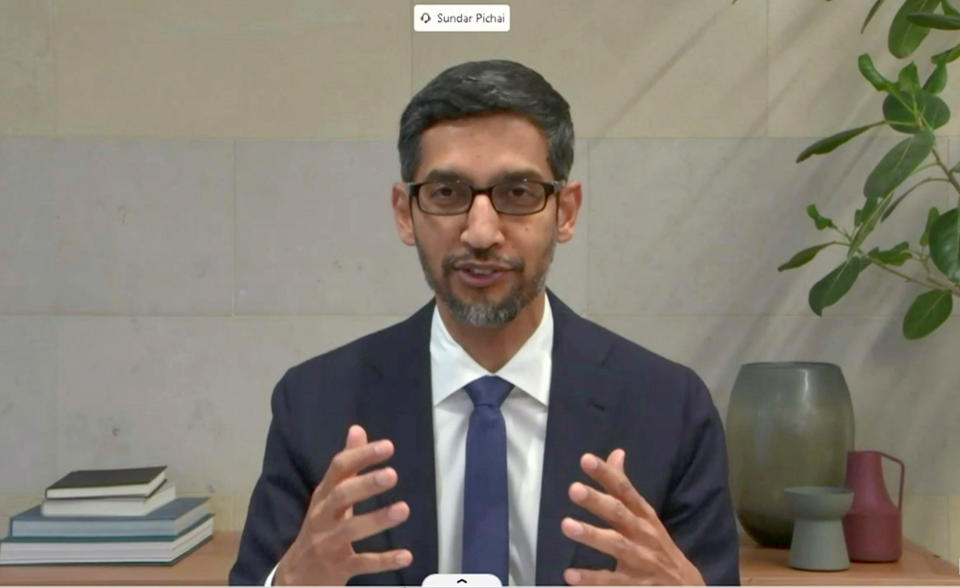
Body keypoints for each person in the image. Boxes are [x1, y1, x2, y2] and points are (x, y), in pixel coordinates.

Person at [229, 59, 740, 586]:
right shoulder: (315, 404)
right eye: (447, 193)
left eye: (517, 193)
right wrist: (287, 583)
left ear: (565, 211)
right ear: (406, 212)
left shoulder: (670, 409)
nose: (480, 231)